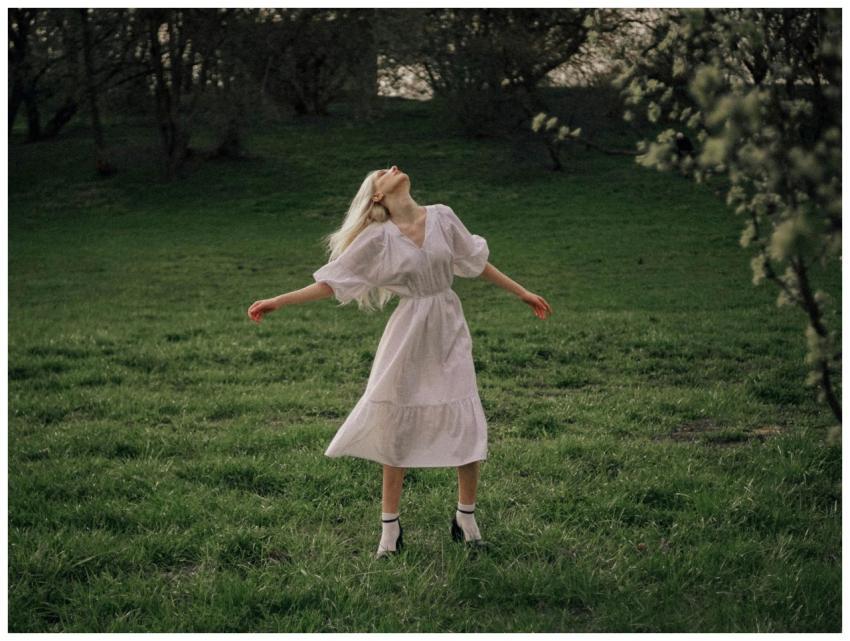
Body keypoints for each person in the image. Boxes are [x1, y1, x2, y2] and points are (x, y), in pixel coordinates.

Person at [247, 166, 552, 559]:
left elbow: (475, 262)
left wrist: (522, 292)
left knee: (465, 418)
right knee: (396, 426)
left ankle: (466, 520)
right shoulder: (378, 238)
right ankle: (389, 532)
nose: (392, 168)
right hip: (408, 334)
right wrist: (279, 301)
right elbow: (333, 282)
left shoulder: (442, 216)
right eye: (382, 172)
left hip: (448, 327)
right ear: (377, 195)